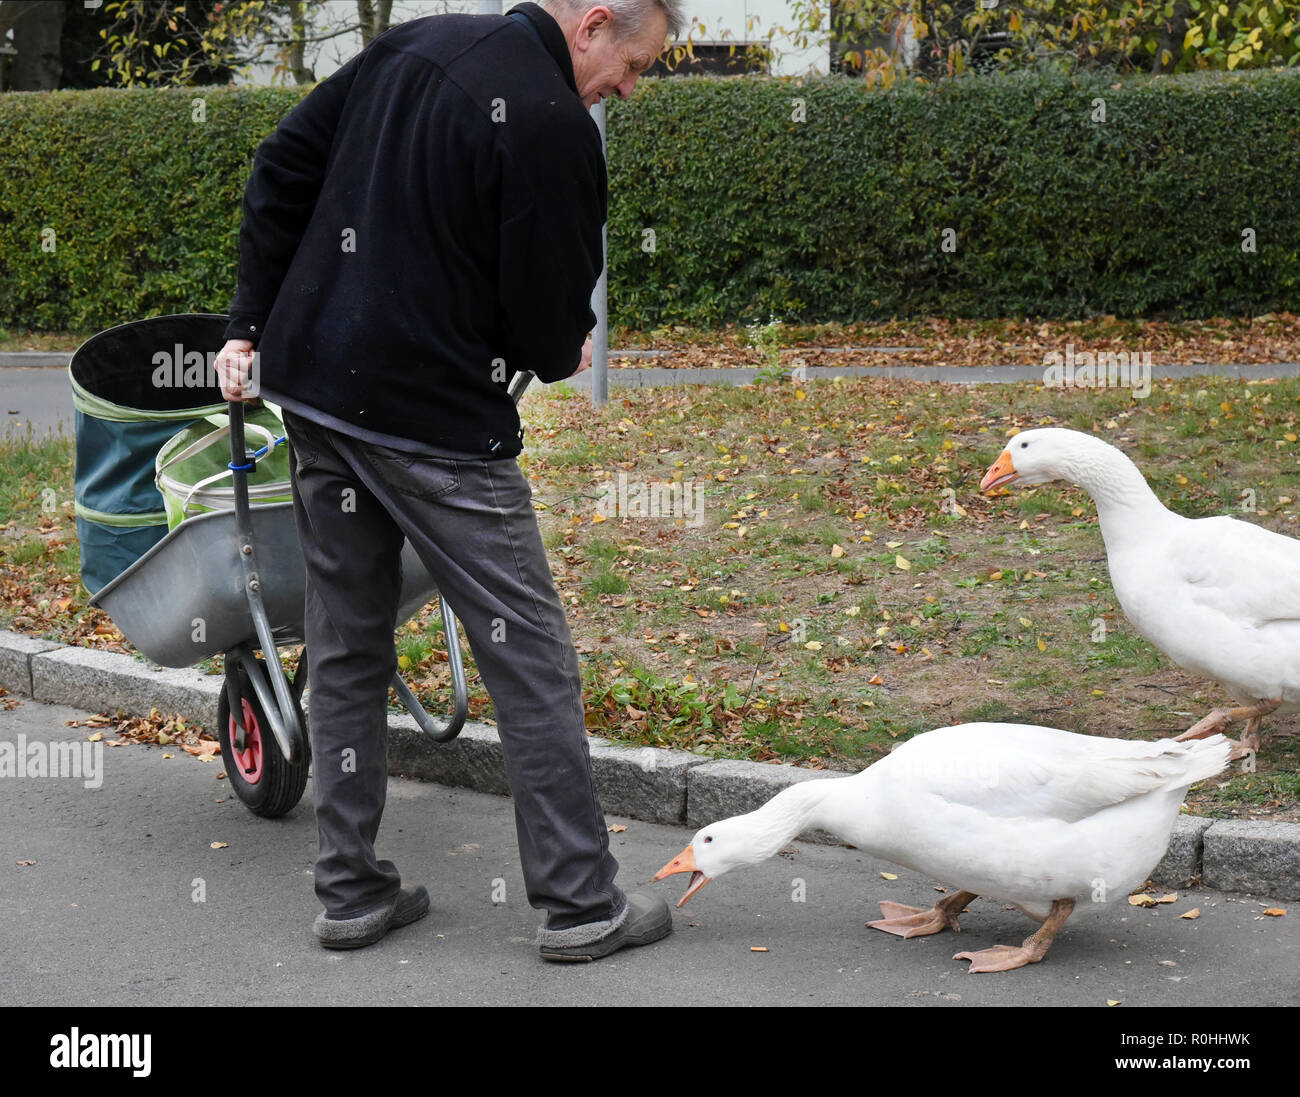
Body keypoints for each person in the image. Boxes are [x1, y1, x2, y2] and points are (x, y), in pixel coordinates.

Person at [215, 0, 684, 959]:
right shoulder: (553, 125)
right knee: (531, 654)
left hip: (316, 394)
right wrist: (555, 345)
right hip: (432, 423)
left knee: (347, 642)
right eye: (634, 66)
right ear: (593, 24)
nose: (629, 89)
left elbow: (281, 165)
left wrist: (249, 321)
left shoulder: (413, 44)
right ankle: (580, 903)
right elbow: (550, 316)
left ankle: (348, 891)